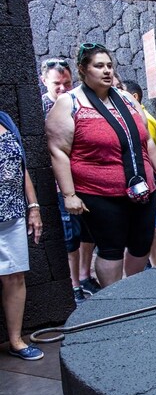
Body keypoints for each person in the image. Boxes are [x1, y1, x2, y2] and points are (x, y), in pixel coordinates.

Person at [45, 43, 156, 288]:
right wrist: (69, 195)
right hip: (99, 193)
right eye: (99, 66)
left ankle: (131, 288)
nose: (106, 71)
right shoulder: (69, 103)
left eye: (110, 66)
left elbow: (145, 140)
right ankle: (112, 298)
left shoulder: (125, 98)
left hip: (142, 188)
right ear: (83, 69)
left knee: (142, 243)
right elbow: (58, 151)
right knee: (111, 248)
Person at [39, 57, 88, 304]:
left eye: (67, 83)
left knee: (81, 234)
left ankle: (82, 279)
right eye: (57, 83)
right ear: (43, 81)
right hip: (57, 186)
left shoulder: (76, 102)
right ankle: (74, 287)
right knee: (68, 237)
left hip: (81, 180)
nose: (62, 88)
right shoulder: (39, 109)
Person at [0, 111, 44, 360]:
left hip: (12, 212)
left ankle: (16, 341)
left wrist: (33, 206)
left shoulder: (4, 119)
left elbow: (21, 165)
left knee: (15, 276)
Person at [124, 80, 156, 266]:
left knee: (153, 229)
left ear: (134, 97)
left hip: (143, 182)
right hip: (139, 183)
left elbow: (148, 147)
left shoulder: (145, 119)